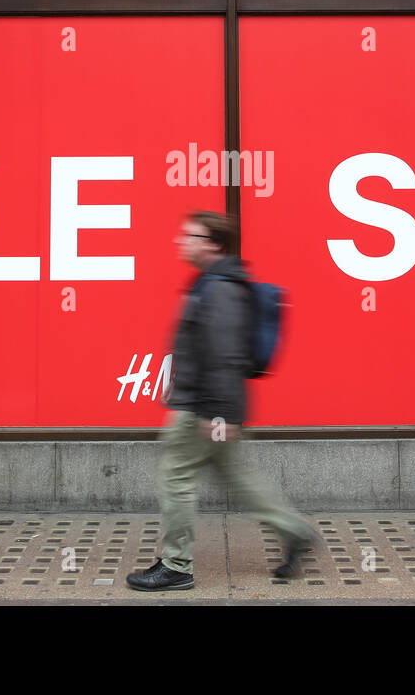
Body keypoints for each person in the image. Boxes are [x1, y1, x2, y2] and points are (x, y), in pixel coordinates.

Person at [126, 211, 318, 591]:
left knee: (175, 477)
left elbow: (225, 357)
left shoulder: (220, 289)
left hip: (203, 408)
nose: (182, 241)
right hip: (210, 406)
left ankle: (177, 565)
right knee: (238, 477)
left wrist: (217, 413)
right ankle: (294, 531)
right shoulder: (211, 283)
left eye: (191, 236)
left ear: (213, 243)